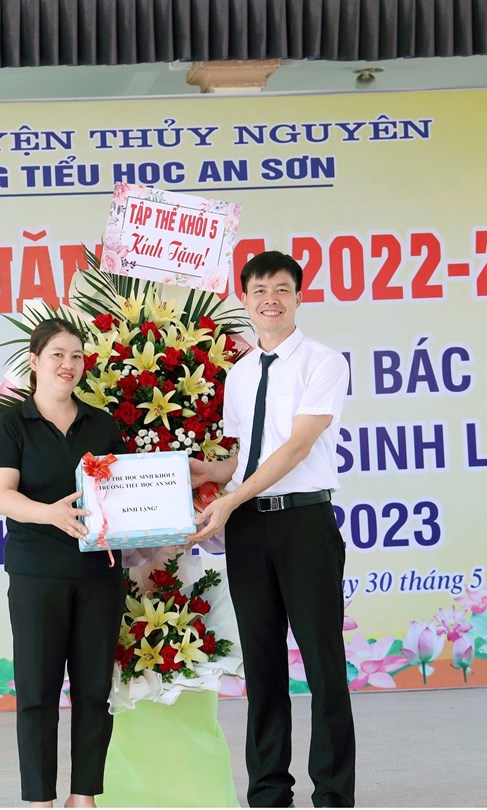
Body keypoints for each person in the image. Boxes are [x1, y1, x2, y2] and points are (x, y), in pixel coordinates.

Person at [187, 251, 356, 808]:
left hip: (304, 523)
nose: (270, 300)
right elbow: (246, 457)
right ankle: (267, 791)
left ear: (299, 297)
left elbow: (298, 446)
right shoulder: (238, 375)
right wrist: (203, 474)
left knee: (323, 663)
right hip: (249, 529)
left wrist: (231, 498)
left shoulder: (323, 362)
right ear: (244, 299)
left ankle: (332, 793)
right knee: (261, 663)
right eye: (259, 290)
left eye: (281, 289)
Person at [0, 318, 127, 808]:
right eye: (57, 355)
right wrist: (50, 514)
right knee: (38, 692)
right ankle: (39, 800)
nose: (68, 364)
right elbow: (1, 496)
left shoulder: (102, 424)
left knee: (93, 692)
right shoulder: (11, 424)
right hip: (37, 575)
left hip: (99, 576)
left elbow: (124, 494)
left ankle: (83, 796)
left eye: (77, 356)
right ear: (34, 361)